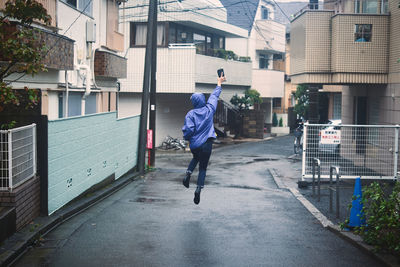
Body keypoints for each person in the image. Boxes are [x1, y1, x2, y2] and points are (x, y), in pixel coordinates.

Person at [182, 75, 226, 204]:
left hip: (195, 145)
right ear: (202, 100)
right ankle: (198, 189)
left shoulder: (190, 114)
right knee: (203, 168)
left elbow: (188, 130)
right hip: (207, 144)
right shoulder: (209, 109)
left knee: (196, 157)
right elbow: (214, 96)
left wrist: (188, 138)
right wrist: (219, 82)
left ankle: (188, 174)